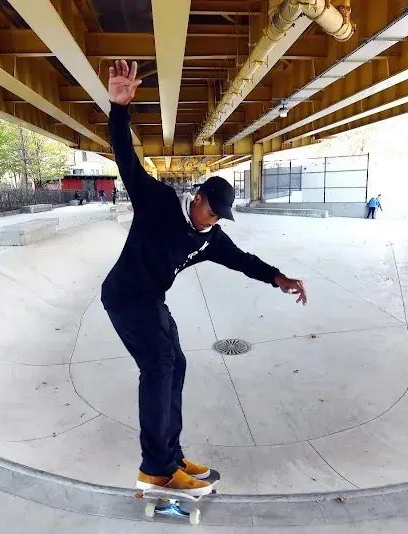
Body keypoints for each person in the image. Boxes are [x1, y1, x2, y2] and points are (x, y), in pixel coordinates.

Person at [102, 60, 308, 497]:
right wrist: (119, 108)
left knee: (177, 363)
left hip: (151, 299)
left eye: (220, 218)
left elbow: (243, 260)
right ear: (197, 200)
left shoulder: (211, 236)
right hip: (125, 296)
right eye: (210, 213)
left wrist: (279, 279)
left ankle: (171, 456)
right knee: (158, 365)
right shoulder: (157, 201)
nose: (212, 223)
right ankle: (155, 470)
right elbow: (127, 160)